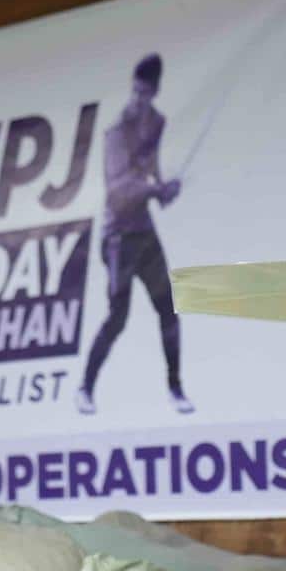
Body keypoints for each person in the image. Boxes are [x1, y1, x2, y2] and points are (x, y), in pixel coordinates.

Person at [77, 54, 193, 415]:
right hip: (118, 240)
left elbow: (149, 175)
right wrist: (153, 191)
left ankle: (176, 388)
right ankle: (85, 387)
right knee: (118, 317)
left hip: (145, 233)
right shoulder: (116, 131)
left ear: (154, 91)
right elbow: (118, 188)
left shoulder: (156, 123)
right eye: (135, 91)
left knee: (169, 310)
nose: (138, 99)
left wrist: (165, 191)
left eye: (145, 93)